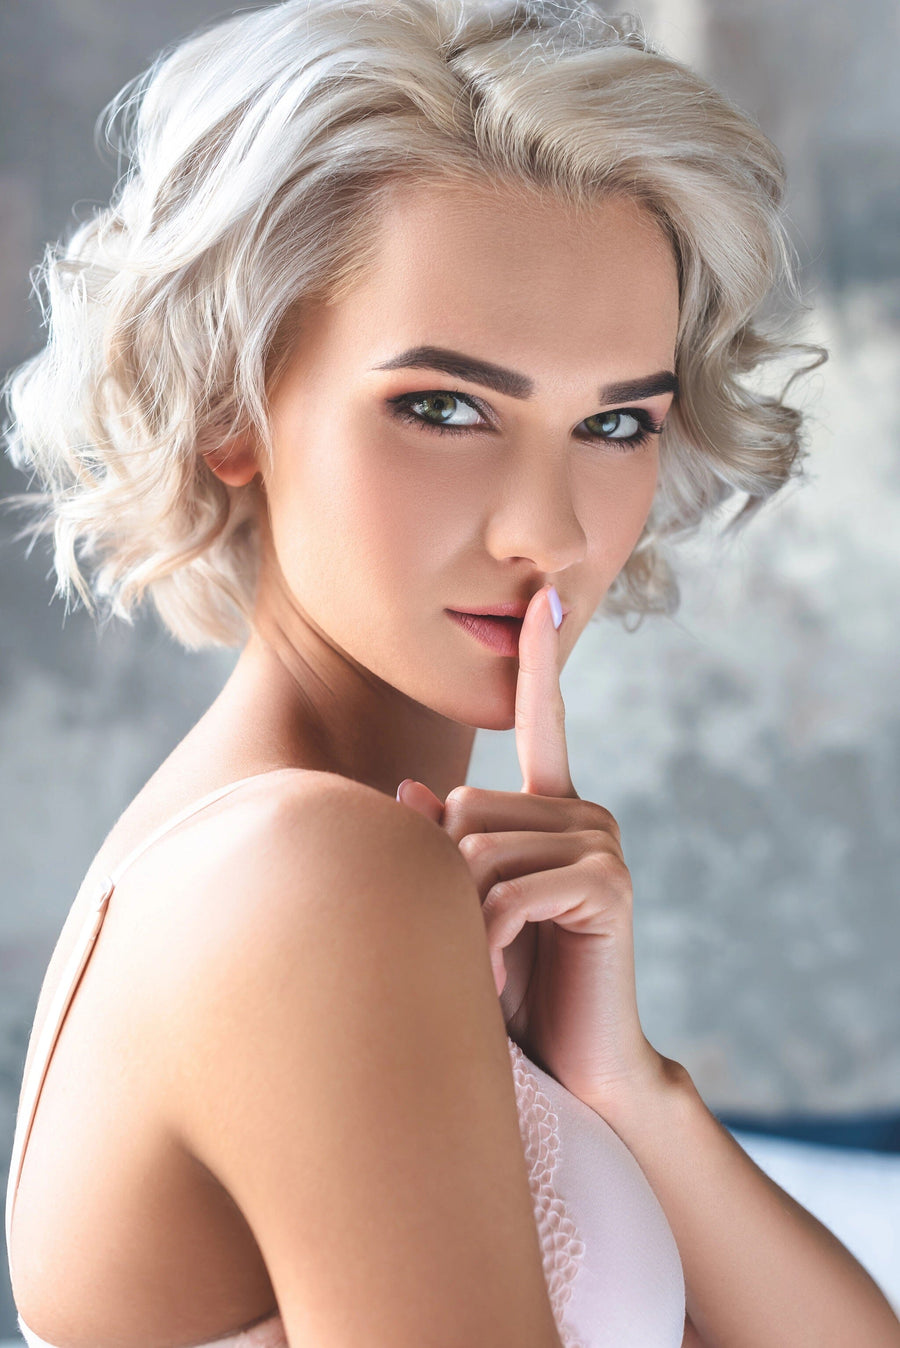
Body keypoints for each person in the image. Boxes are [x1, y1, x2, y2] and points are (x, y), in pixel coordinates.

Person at [3, 1, 899, 1345]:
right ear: (230, 406)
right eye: (445, 407)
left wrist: (625, 1084)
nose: (549, 531)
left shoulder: (313, 855)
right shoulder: (313, 873)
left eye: (616, 423)